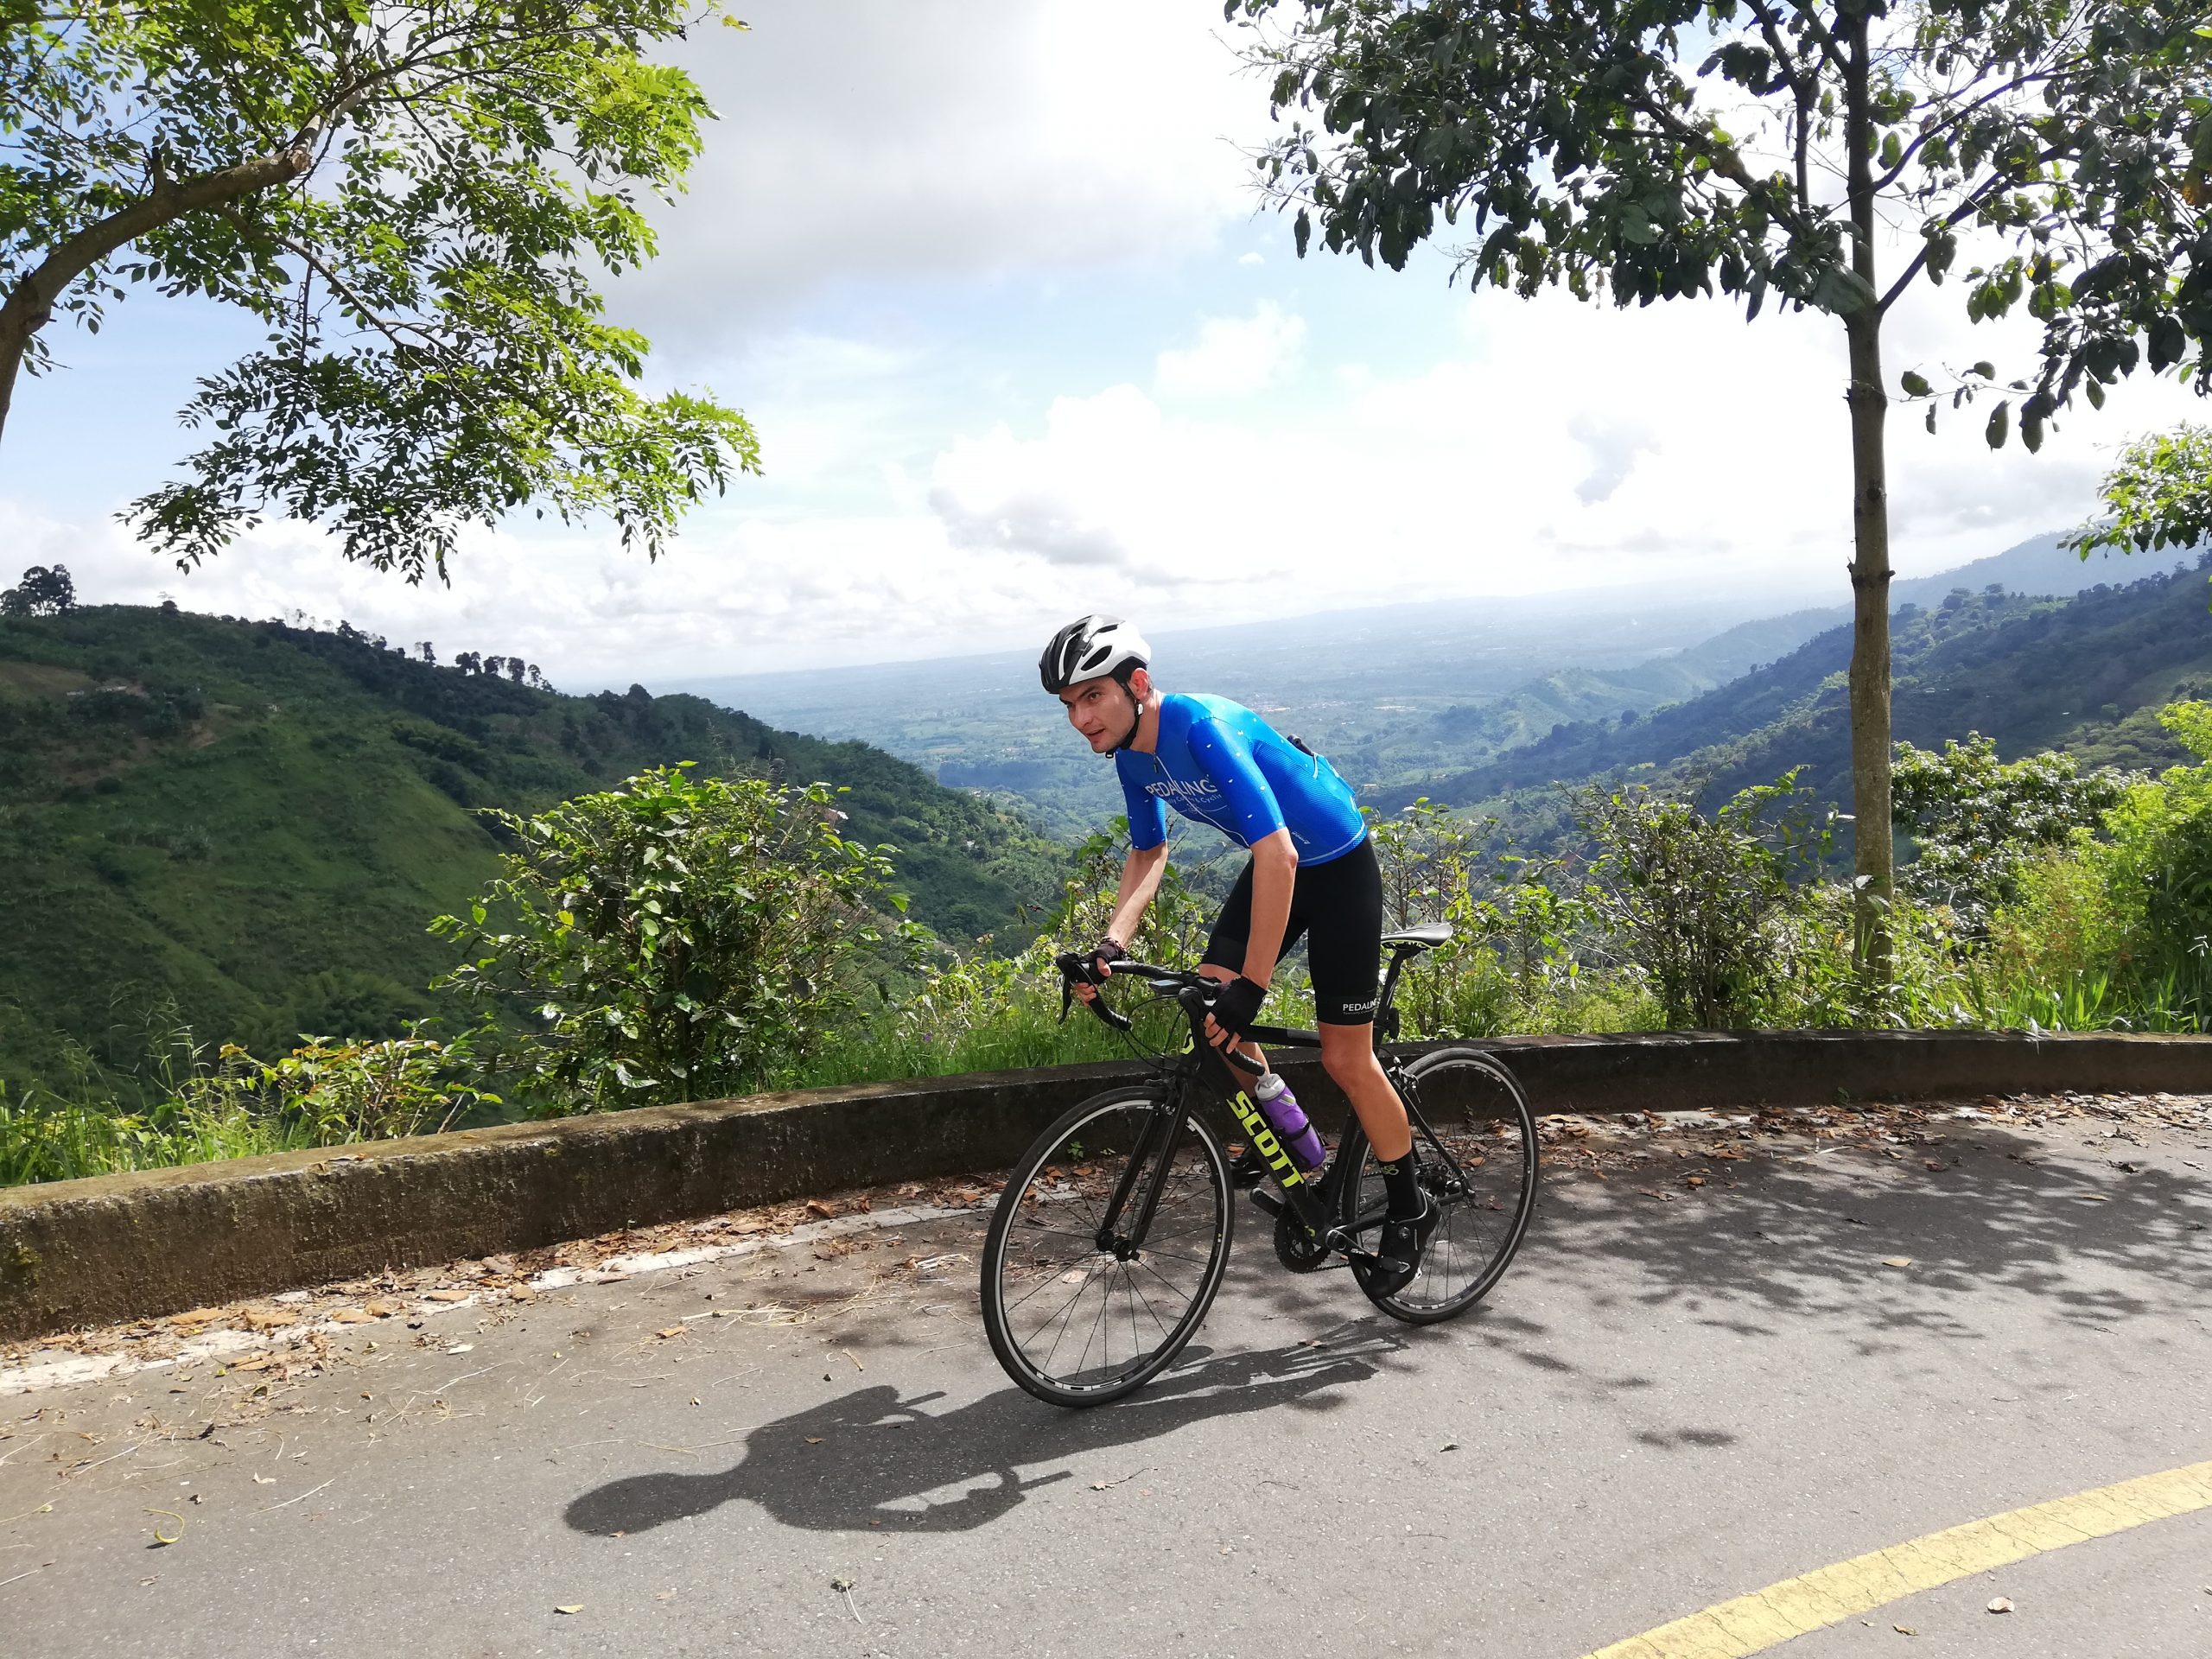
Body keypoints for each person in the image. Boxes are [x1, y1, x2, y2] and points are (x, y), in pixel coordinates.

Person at [1039, 613, 1438, 1293]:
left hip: (1336, 869)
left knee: (1346, 1057)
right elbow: (1148, 851)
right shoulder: (1132, 756)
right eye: (1070, 705)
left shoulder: (1201, 728)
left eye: (1093, 697)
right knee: (1210, 1008)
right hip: (1278, 867)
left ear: (1138, 685)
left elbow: (1279, 853)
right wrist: (1110, 944)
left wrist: (1253, 985)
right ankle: (1298, 1146)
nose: (1081, 719)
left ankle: (1411, 1205)